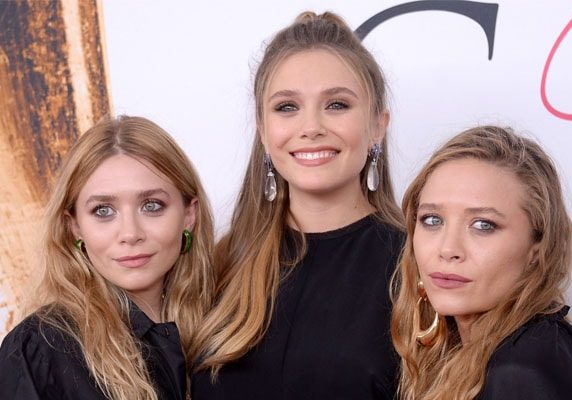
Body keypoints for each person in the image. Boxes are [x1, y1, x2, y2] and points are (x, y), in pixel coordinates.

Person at [191, 11, 405, 400]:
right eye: (287, 107)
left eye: (337, 104)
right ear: (263, 130)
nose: (311, 127)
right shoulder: (222, 264)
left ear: (377, 125)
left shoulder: (417, 266)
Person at [0, 116, 214, 400]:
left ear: (189, 215)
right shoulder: (39, 350)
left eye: (152, 206)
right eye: (103, 211)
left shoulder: (228, 328)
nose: (130, 233)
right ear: (74, 225)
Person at [391, 126, 572, 399]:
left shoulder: (523, 370)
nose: (448, 249)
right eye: (432, 220)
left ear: (537, 245)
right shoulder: (489, 351)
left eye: (483, 225)